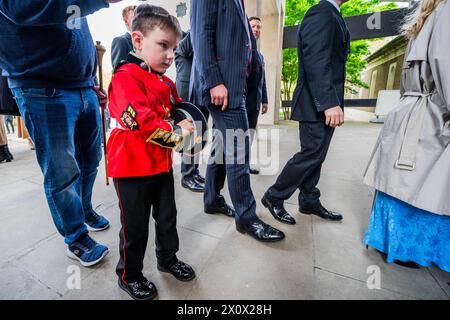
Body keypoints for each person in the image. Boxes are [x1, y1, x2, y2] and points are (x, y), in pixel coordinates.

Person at [0, 0, 120, 267]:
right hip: (41, 87)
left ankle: (84, 209)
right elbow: (22, 8)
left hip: (83, 85)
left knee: (91, 161)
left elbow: (75, 28)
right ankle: (75, 237)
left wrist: (91, 80)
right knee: (62, 171)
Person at [107, 4, 196, 300]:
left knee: (167, 217)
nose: (170, 55)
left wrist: (188, 127)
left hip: (160, 165)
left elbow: (180, 110)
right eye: (163, 45)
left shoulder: (167, 82)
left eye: (174, 47)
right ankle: (129, 274)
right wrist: (178, 132)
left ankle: (167, 259)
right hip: (131, 167)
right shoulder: (124, 77)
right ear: (137, 41)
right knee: (134, 227)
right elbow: (143, 125)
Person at [363, 0, 450, 272]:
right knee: (420, 186)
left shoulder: (429, 15)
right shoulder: (447, 10)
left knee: (402, 182)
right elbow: (446, 67)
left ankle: (392, 243)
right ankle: (407, 249)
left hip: (413, 108)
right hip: (430, 113)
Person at [190, 0, 285, 242]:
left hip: (236, 87)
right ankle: (246, 217)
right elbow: (201, 33)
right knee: (239, 154)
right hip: (224, 87)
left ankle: (212, 200)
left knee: (222, 148)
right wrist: (213, 81)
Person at [262, 0, 350, 225]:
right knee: (311, 153)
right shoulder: (321, 12)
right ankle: (274, 196)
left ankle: (309, 199)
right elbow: (316, 60)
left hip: (322, 102)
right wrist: (329, 102)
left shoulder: (332, 13)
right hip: (316, 103)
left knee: (317, 155)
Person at [175, 31, 208, 192]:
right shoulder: (181, 46)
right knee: (190, 137)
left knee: (199, 137)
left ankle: (193, 171)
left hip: (199, 94)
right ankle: (186, 176)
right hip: (187, 96)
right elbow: (194, 35)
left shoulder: (195, 49)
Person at [246, 16, 269, 175]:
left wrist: (265, 100)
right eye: (253, 26)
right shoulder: (241, 50)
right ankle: (234, 166)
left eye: (258, 27)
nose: (256, 29)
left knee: (249, 135)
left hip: (255, 103)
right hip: (241, 102)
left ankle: (245, 165)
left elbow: (263, 79)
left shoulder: (260, 56)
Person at [111, 5, 136, 70]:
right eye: (134, 17)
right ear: (126, 22)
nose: (139, 20)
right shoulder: (120, 41)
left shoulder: (146, 43)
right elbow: (120, 72)